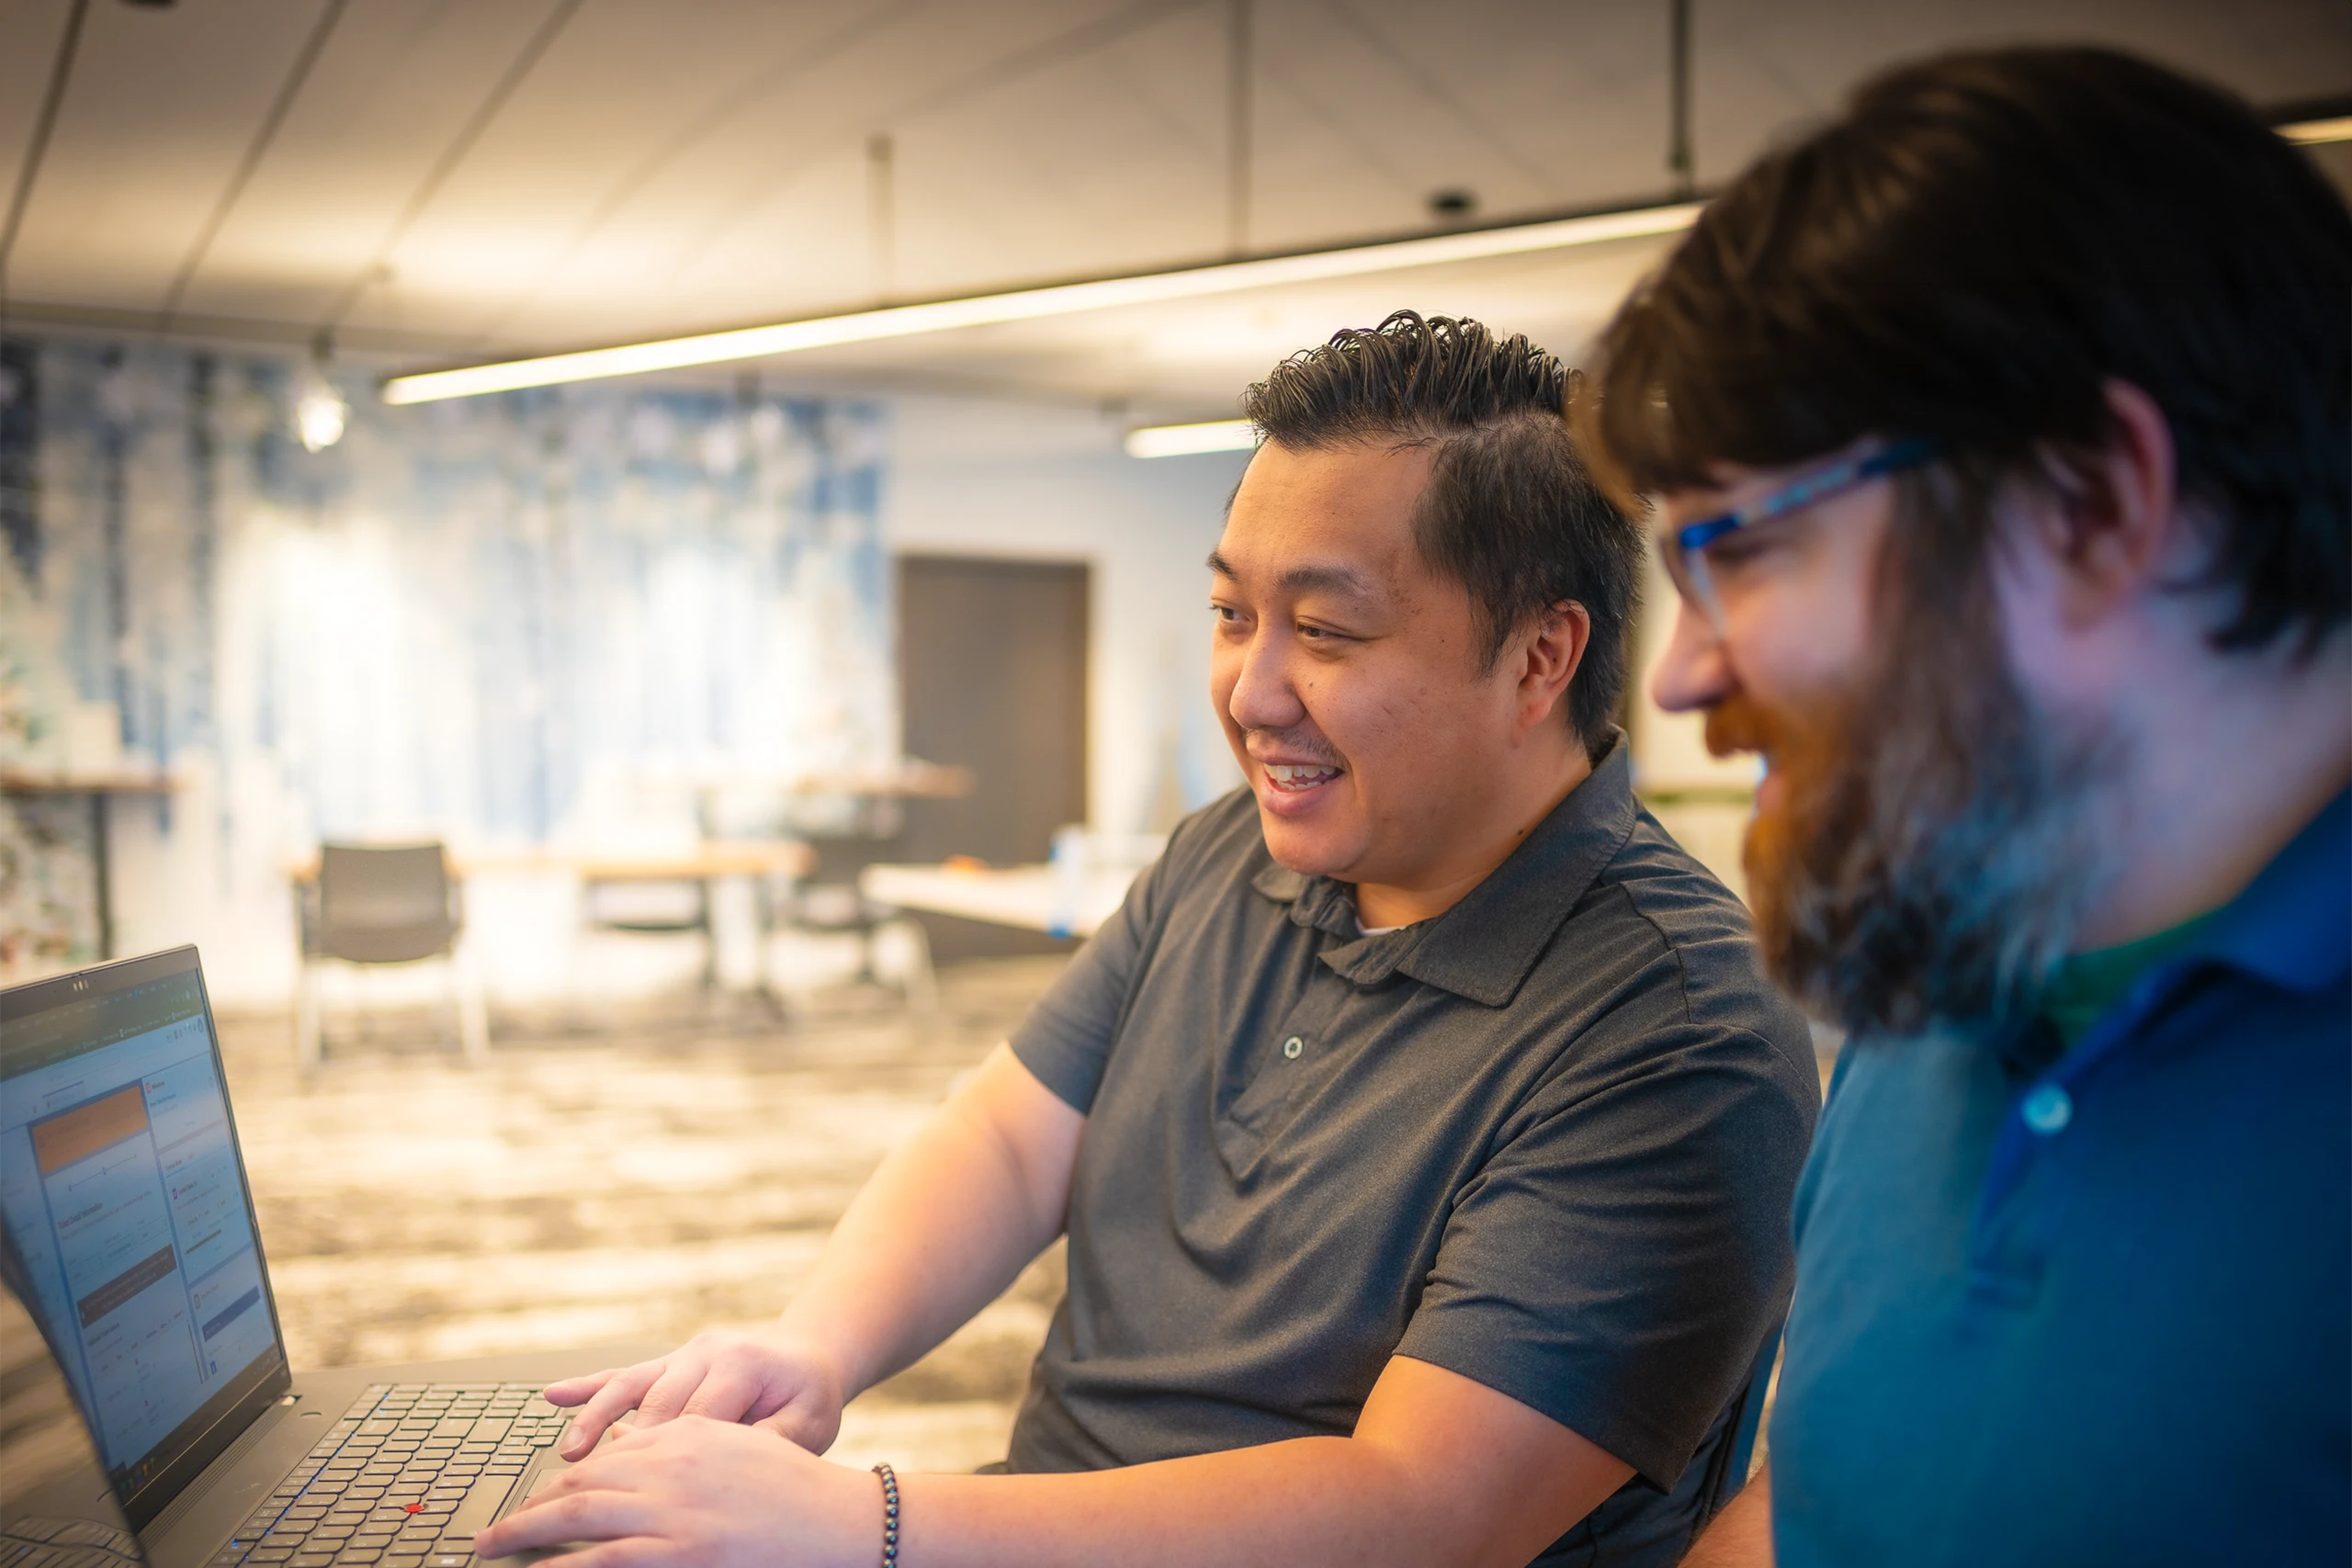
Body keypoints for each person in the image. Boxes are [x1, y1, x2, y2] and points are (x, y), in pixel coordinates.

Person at [478, 312, 1819, 1568]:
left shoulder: (1676, 1026)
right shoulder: (1228, 855)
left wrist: (870, 1524)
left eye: (1327, 630)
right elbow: (1007, 1138)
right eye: (1233, 614)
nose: (1252, 690)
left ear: (1540, 660)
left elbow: (1418, 1513)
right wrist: (814, 1345)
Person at [1571, 46, 2352, 1568]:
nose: (1680, 675)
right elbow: (1831, 1499)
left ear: (2089, 501)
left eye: (1740, 552)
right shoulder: (1935, 961)